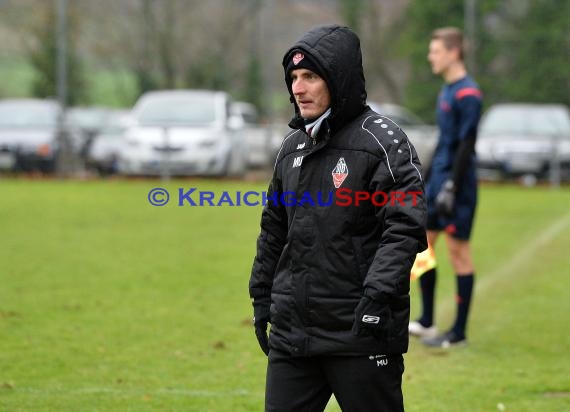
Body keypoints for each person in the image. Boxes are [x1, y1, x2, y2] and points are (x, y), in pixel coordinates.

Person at [249, 24, 426, 411]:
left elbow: (405, 227)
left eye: (310, 76)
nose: (298, 88)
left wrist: (378, 298)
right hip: (294, 336)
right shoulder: (292, 148)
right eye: (293, 78)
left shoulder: (383, 141)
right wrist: (262, 297)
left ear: (338, 78)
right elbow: (273, 230)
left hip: (360, 331)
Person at [408, 27, 483, 348]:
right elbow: (444, 141)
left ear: (453, 53)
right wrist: (425, 176)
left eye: (436, 50)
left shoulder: (469, 94)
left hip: (459, 184)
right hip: (438, 181)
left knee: (458, 252)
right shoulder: (447, 91)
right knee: (423, 247)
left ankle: (459, 333)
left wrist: (452, 184)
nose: (431, 56)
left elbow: (467, 143)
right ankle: (426, 321)